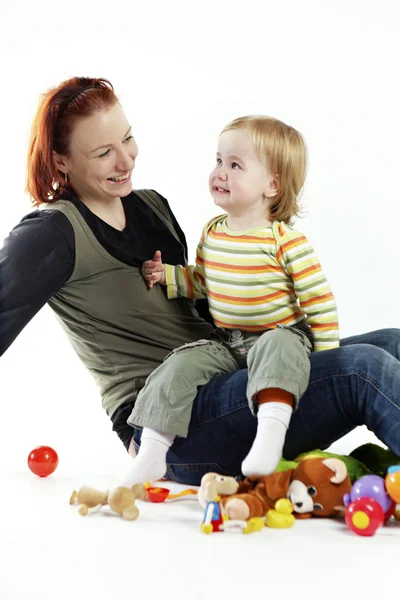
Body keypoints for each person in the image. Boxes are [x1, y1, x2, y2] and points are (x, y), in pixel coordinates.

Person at [0, 76, 399, 489]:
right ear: (61, 160)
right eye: (104, 153)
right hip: (171, 422)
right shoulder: (51, 233)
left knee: (392, 343)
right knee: (361, 370)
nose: (126, 161)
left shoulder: (152, 207)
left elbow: (210, 302)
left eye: (128, 139)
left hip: (230, 368)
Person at [126, 115, 339, 486]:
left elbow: (319, 303)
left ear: (272, 185)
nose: (220, 172)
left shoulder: (284, 242)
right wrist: (169, 276)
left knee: (277, 344)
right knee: (180, 363)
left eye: (235, 164)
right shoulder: (213, 231)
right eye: (219, 161)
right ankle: (152, 453)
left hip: (279, 335)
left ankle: (270, 437)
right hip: (228, 341)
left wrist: (327, 358)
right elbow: (204, 282)